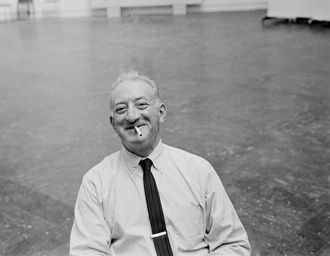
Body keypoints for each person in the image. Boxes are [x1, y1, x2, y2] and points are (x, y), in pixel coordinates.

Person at [69, 70, 251, 256]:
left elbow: (233, 244)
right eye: (121, 109)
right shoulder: (96, 183)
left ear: (161, 113)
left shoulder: (198, 170)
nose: (132, 116)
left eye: (141, 105)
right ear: (113, 124)